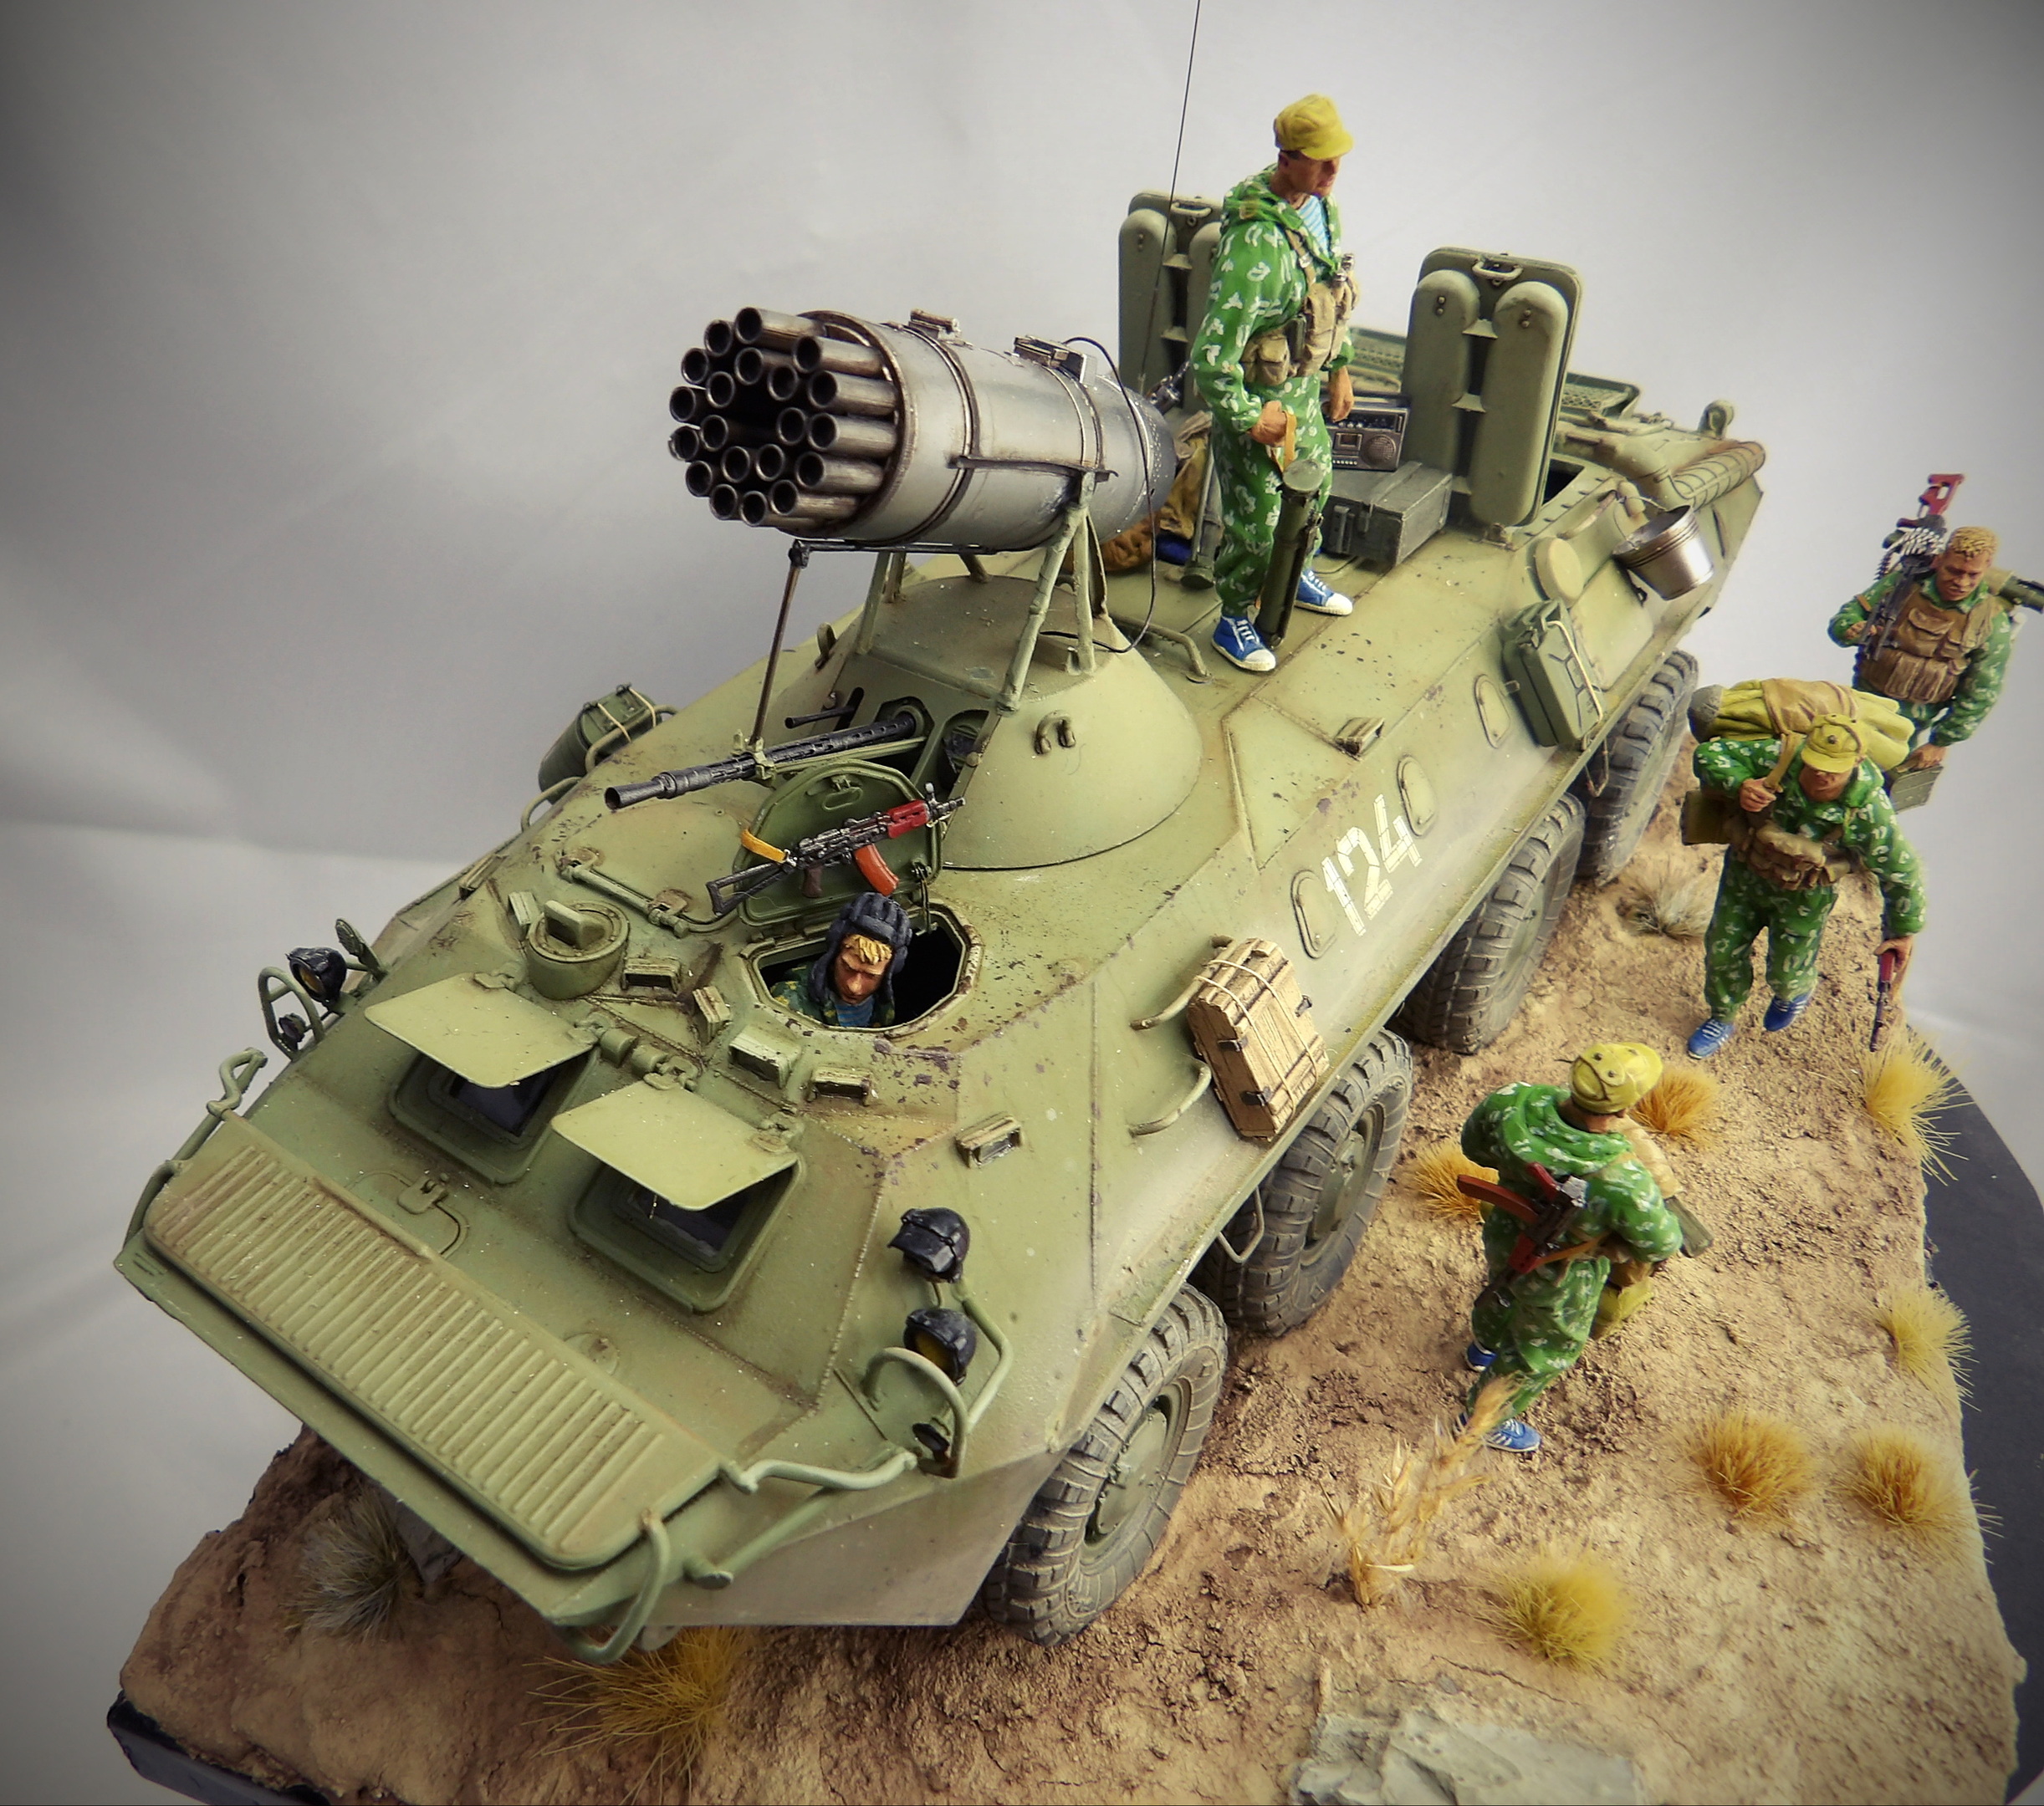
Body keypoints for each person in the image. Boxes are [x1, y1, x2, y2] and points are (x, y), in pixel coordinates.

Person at [1189, 94, 1360, 675]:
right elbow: (1212, 357)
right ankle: (1234, 615)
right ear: (1287, 158)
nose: (1332, 171)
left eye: (1337, 158)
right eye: (1319, 160)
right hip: (1260, 401)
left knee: (1315, 490)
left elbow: (1333, 294)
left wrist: (1340, 368)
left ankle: (1296, 573)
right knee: (1260, 523)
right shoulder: (1253, 243)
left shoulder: (1322, 211)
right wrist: (1246, 416)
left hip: (1303, 390)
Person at [1459, 1044, 1686, 1454]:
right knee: (1546, 1347)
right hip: (1562, 1270)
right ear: (1626, 1107)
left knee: (1502, 1286)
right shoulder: (1622, 1177)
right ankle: (1483, 1421)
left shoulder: (1513, 1101)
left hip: (1504, 1232)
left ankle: (1485, 1346)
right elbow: (1662, 1241)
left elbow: (1473, 1146)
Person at [1686, 714, 1925, 1058]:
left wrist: (1903, 931)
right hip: (1745, 876)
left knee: (1787, 972)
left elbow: (1901, 871)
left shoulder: (1869, 810)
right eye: (1815, 764)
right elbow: (1710, 755)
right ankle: (1722, 1017)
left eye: (1833, 769)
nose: (1821, 775)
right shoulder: (1782, 758)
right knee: (1722, 952)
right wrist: (1741, 784)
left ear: (1857, 761)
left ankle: (1793, 994)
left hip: (1803, 897)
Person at [1827, 526, 2013, 773]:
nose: (1961, 582)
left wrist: (1941, 741)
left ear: (1987, 568)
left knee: (1877, 778)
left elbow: (1983, 690)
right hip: (1861, 700)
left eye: (1973, 574)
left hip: (1907, 725)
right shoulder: (1902, 585)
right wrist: (1851, 629)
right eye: (1954, 571)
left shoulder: (1991, 621)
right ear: (1940, 559)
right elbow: (1848, 616)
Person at [770, 891, 914, 1028]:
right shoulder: (791, 1001)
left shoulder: (882, 1000)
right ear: (835, 955)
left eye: (870, 976)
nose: (854, 987)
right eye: (848, 968)